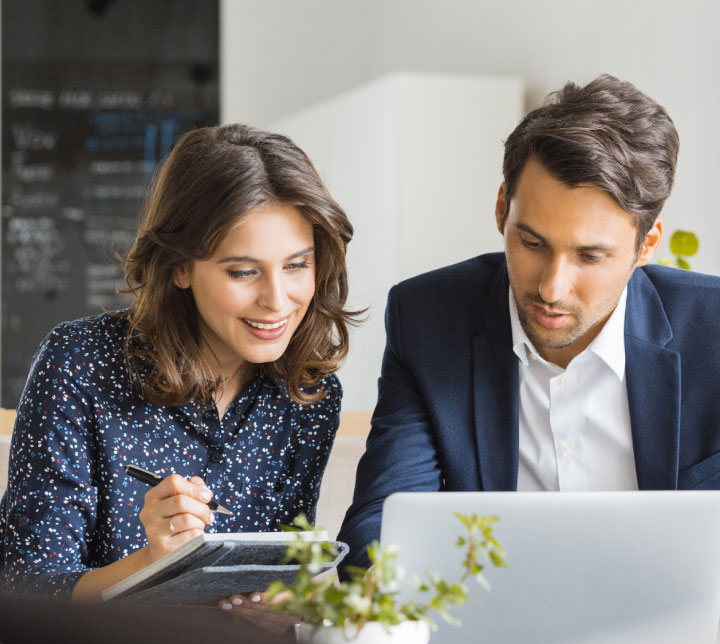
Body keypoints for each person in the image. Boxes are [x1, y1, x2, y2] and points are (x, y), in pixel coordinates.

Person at [338, 74, 720, 569]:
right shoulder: (430, 318)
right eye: (533, 243)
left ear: (646, 246)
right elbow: (379, 528)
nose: (551, 288)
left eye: (590, 256)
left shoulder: (712, 330)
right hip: (487, 630)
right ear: (502, 209)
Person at [0, 123, 357, 603]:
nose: (277, 300)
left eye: (297, 265)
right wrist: (152, 563)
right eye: (243, 272)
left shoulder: (310, 395)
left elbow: (285, 575)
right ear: (179, 267)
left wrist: (284, 606)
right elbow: (26, 590)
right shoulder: (78, 364)